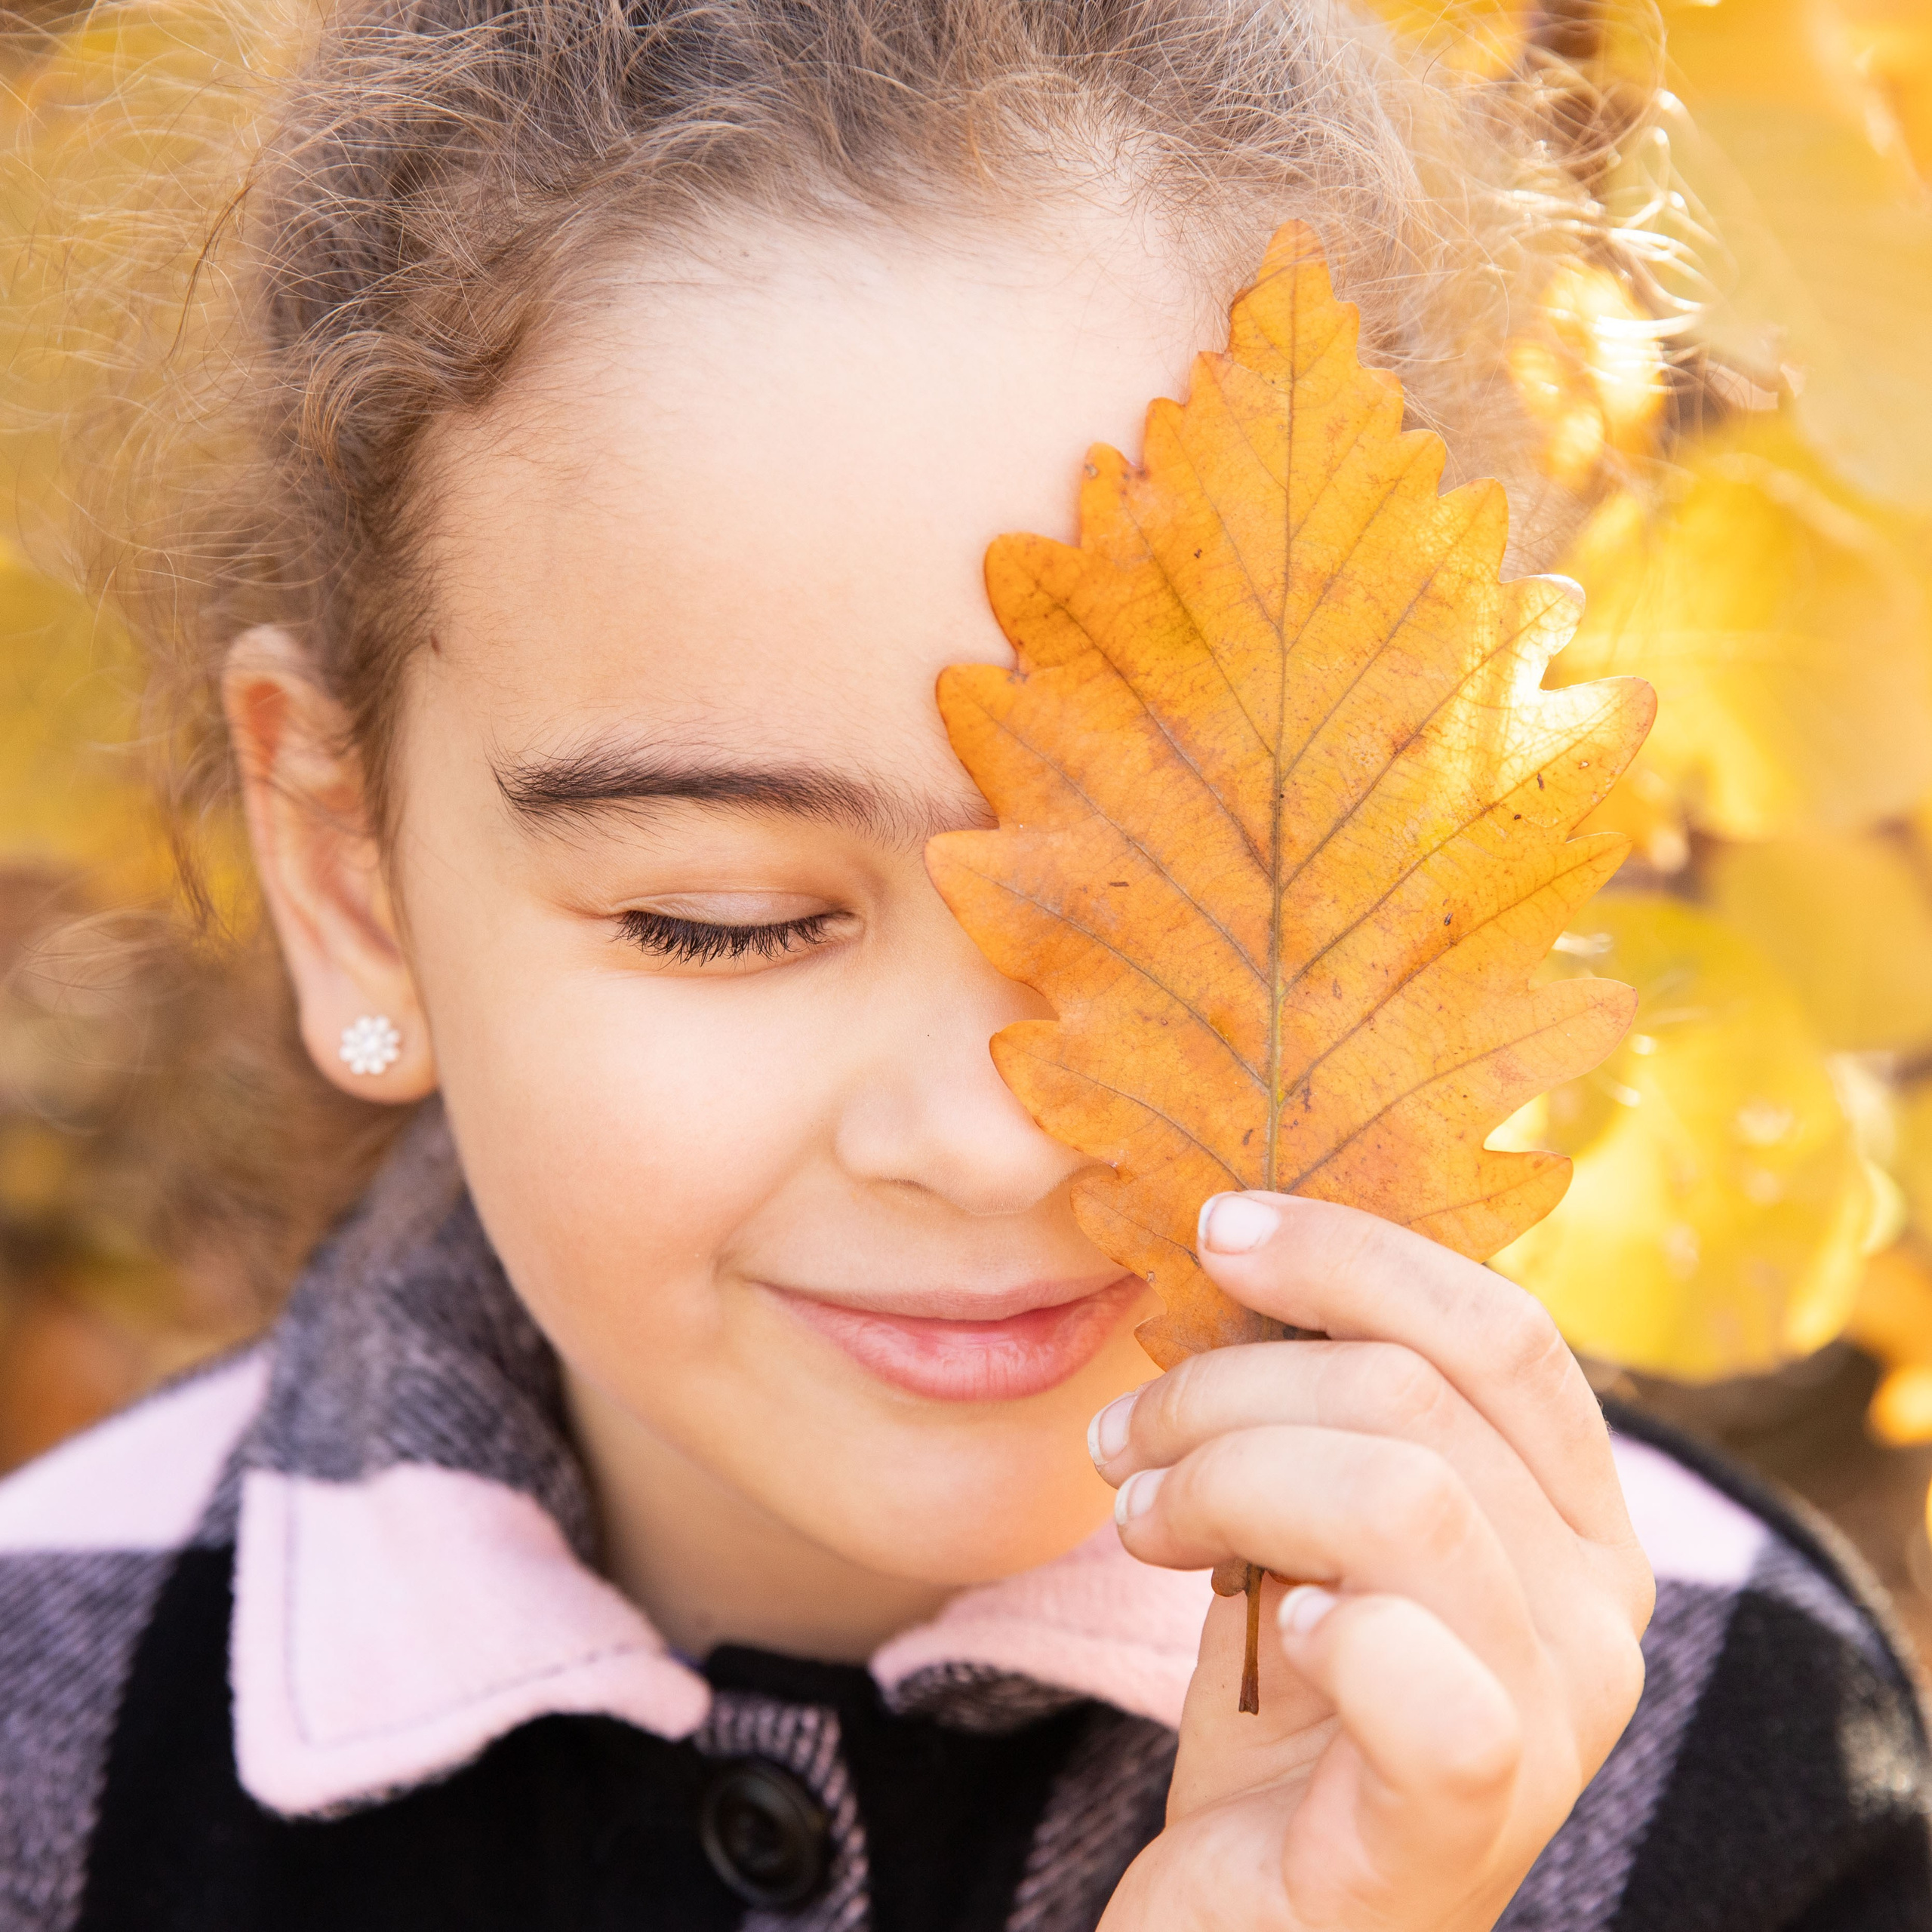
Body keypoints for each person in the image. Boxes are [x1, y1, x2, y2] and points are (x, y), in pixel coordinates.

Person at [1, 3, 1926, 1927]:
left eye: (1131, 911)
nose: (986, 1138)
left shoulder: (1724, 1758)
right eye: (724, 919)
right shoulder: (49, 1723)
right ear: (349, 871)